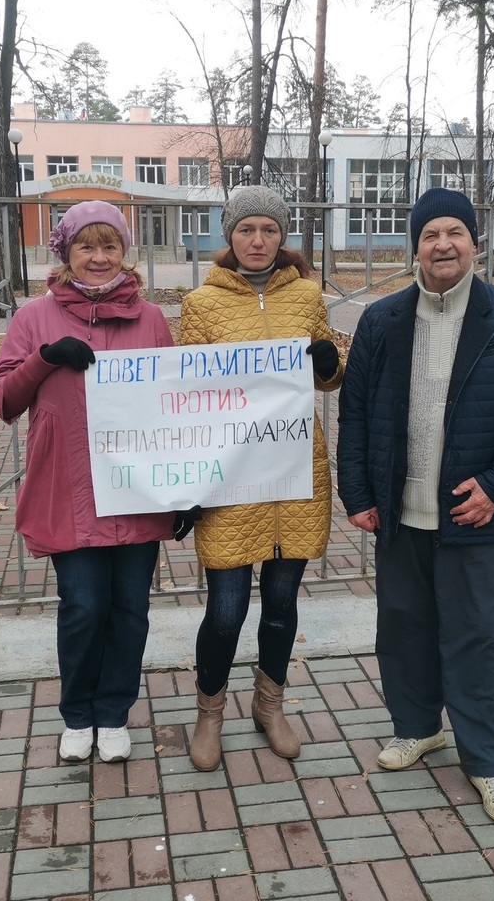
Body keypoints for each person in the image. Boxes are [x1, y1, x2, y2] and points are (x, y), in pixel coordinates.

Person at [336, 187, 494, 825]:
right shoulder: (382, 321)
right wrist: (358, 493)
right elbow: (355, 411)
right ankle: (416, 726)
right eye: (430, 234)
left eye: (454, 233)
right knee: (403, 628)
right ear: (414, 247)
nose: (442, 245)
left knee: (476, 638)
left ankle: (489, 763)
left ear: (475, 244)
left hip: (471, 513)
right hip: (398, 510)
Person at [0, 201, 181, 764]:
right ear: (66, 254)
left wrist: (184, 490)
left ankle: (114, 713)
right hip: (68, 489)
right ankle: (78, 715)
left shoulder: (150, 319)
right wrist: (44, 359)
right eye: (86, 247)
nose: (99, 258)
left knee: (130, 610)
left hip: (139, 490)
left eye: (110, 246)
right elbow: (2, 400)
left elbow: (175, 406)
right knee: (83, 608)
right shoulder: (34, 318)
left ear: (125, 251)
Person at [179, 185, 344, 771]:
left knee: (280, 603)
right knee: (226, 610)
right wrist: (188, 488)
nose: (258, 241)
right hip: (230, 481)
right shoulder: (201, 305)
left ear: (283, 237)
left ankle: (269, 704)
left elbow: (327, 377)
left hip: (296, 472)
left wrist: (329, 365)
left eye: (269, 231)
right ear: (229, 236)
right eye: (247, 230)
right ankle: (209, 711)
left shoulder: (306, 295)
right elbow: (186, 396)